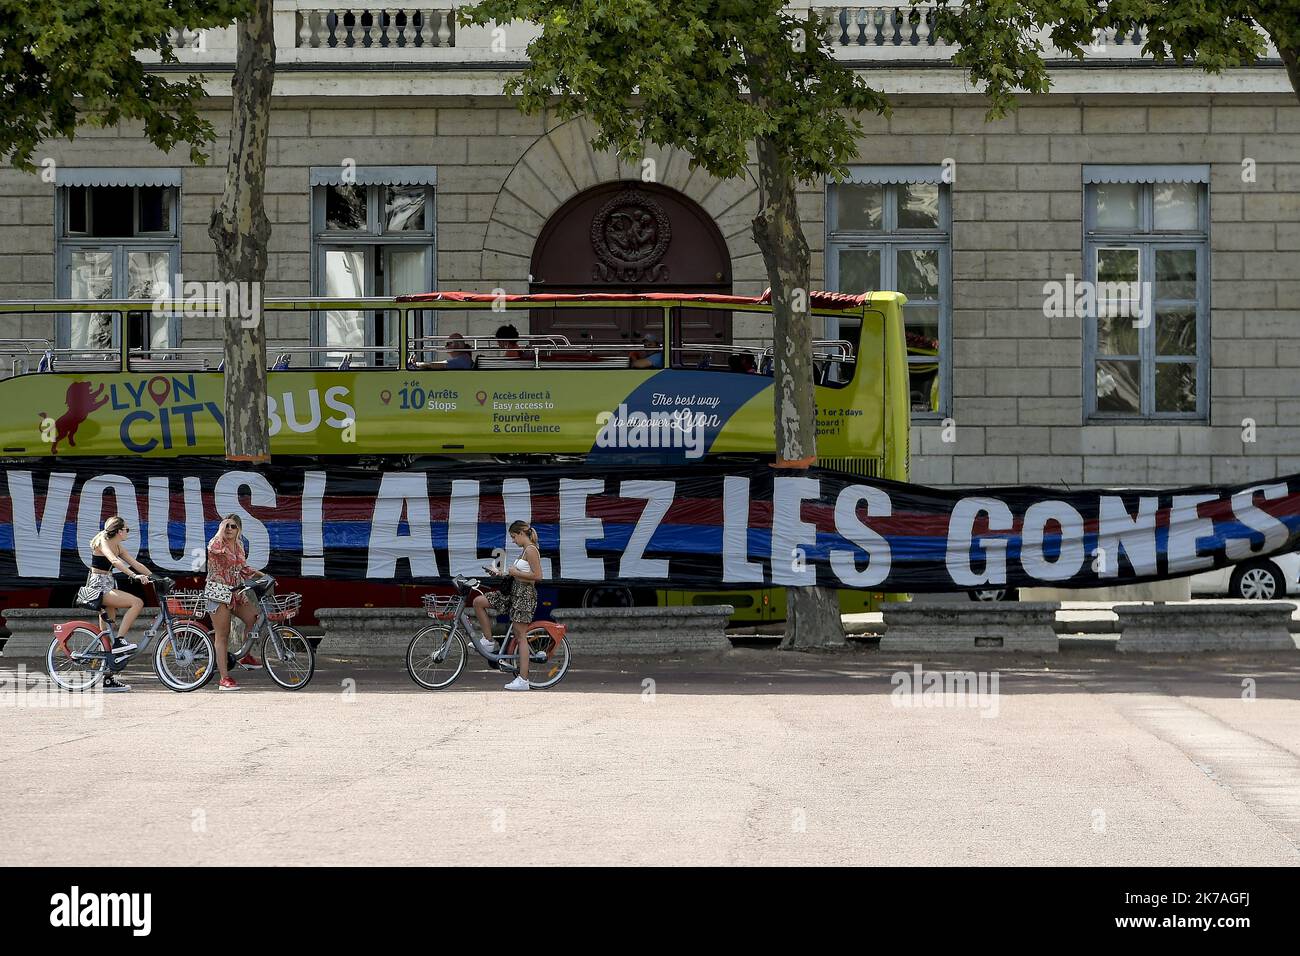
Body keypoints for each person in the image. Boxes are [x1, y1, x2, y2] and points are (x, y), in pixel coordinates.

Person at [472, 520, 543, 691]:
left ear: (520, 533)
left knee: (521, 636)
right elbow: (519, 574)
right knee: (478, 602)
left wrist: (515, 572)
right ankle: (488, 641)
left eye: (513, 537)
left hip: (524, 595)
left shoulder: (532, 550)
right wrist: (501, 573)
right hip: (514, 592)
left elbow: (538, 576)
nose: (513, 541)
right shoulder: (524, 551)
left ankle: (523, 679)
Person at [84, 516, 152, 692]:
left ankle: (107, 679)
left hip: (108, 584)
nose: (128, 532)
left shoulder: (118, 545)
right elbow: (114, 561)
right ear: (119, 531)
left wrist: (156, 578)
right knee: (136, 602)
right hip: (99, 586)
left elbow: (135, 563)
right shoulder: (103, 540)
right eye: (127, 529)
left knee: (106, 634)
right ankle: (120, 642)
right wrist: (134, 576)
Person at [206, 514, 263, 691]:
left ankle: (245, 655)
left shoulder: (239, 545)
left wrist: (264, 576)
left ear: (239, 530)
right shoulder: (216, 542)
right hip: (218, 591)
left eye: (233, 526)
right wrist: (220, 530)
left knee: (254, 617)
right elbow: (214, 550)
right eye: (227, 526)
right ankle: (224, 678)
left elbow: (243, 568)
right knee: (223, 634)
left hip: (236, 590)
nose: (230, 529)